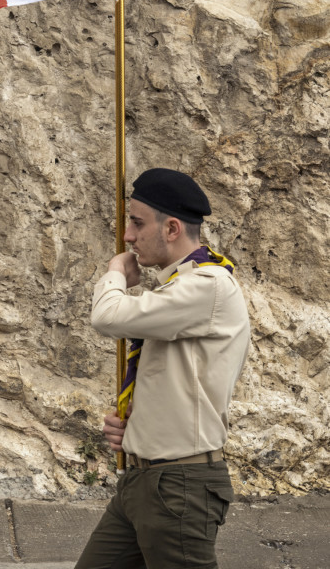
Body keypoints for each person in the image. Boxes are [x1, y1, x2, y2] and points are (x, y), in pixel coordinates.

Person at [75, 168, 250, 569]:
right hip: (144, 481)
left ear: (171, 228)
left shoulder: (208, 286)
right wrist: (137, 429)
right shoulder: (180, 287)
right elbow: (174, 382)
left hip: (178, 487)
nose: (127, 236)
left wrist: (116, 273)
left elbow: (108, 316)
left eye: (137, 223)